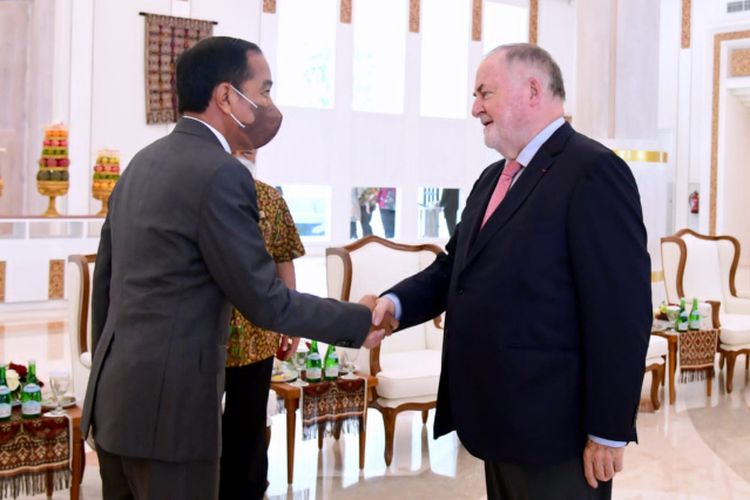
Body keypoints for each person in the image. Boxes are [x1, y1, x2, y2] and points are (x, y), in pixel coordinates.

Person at [82, 36, 390, 500]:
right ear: (227, 96)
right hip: (173, 415)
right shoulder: (222, 173)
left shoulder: (139, 166)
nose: (269, 105)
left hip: (115, 404)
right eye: (263, 90)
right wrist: (356, 320)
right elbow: (263, 298)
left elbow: (105, 288)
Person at [371, 43, 651, 500]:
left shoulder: (593, 171)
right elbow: (453, 270)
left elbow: (621, 313)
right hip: (497, 422)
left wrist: (608, 429)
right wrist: (394, 303)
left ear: (533, 91)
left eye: (485, 93)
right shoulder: (490, 180)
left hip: (556, 433)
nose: (475, 107)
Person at [220, 148, 303, 499]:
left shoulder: (270, 197)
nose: (246, 151)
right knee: (197, 424)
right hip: (206, 334)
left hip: (257, 333)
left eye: (251, 147)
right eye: (240, 145)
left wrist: (292, 321)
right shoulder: (207, 195)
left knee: (250, 423)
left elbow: (284, 260)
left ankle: (249, 490)